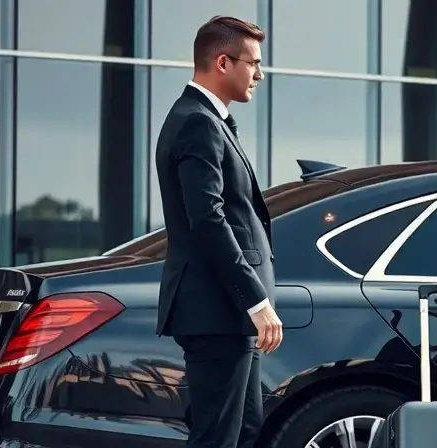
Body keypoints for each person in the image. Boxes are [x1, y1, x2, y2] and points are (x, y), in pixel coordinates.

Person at [154, 15, 282, 448]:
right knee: (217, 438)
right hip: (218, 311)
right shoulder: (197, 122)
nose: (260, 75)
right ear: (223, 62)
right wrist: (256, 300)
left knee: (244, 432)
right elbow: (207, 219)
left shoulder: (210, 120)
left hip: (228, 314)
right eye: (254, 63)